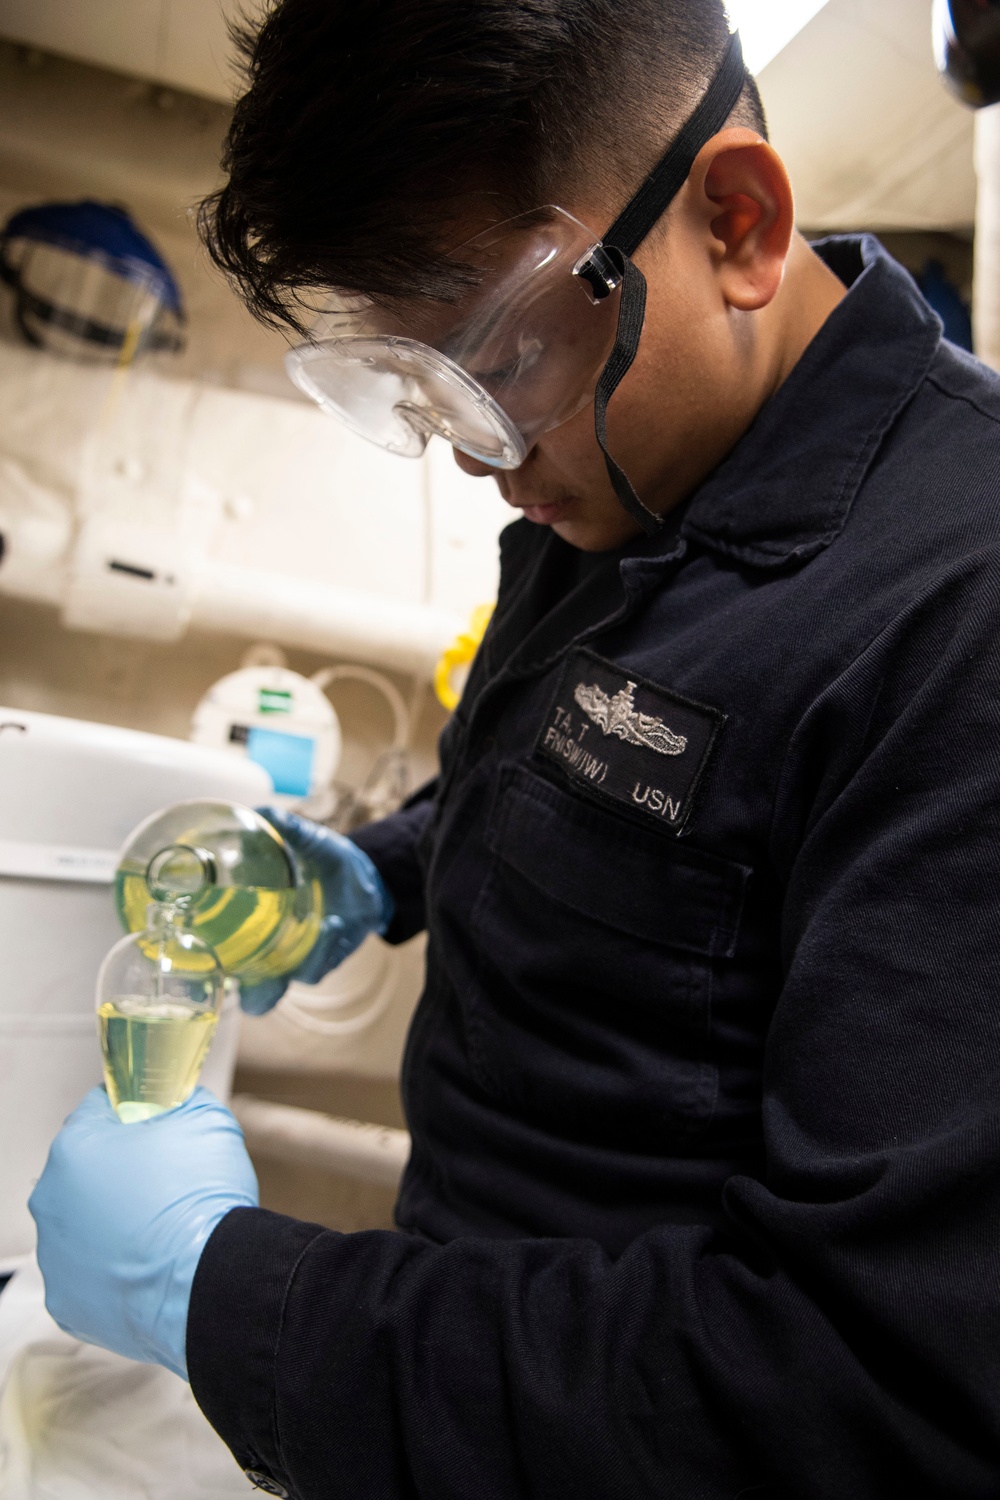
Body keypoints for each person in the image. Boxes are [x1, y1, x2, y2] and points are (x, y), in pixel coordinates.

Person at [27, 1, 1000, 1495]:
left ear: (734, 222)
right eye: (423, 395)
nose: (480, 458)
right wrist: (382, 866)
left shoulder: (960, 615)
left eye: (501, 365)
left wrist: (223, 1298)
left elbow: (857, 1394)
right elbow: (582, 767)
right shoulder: (610, 475)